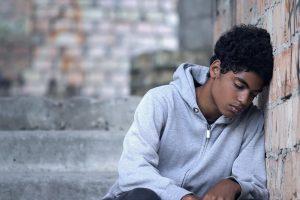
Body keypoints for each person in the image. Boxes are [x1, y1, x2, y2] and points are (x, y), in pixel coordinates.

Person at [103, 24, 274, 200]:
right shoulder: (161, 101)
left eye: (253, 94)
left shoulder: (251, 121)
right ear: (216, 69)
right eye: (239, 86)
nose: (244, 100)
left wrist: (234, 185)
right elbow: (133, 171)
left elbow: (256, 185)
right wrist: (182, 197)